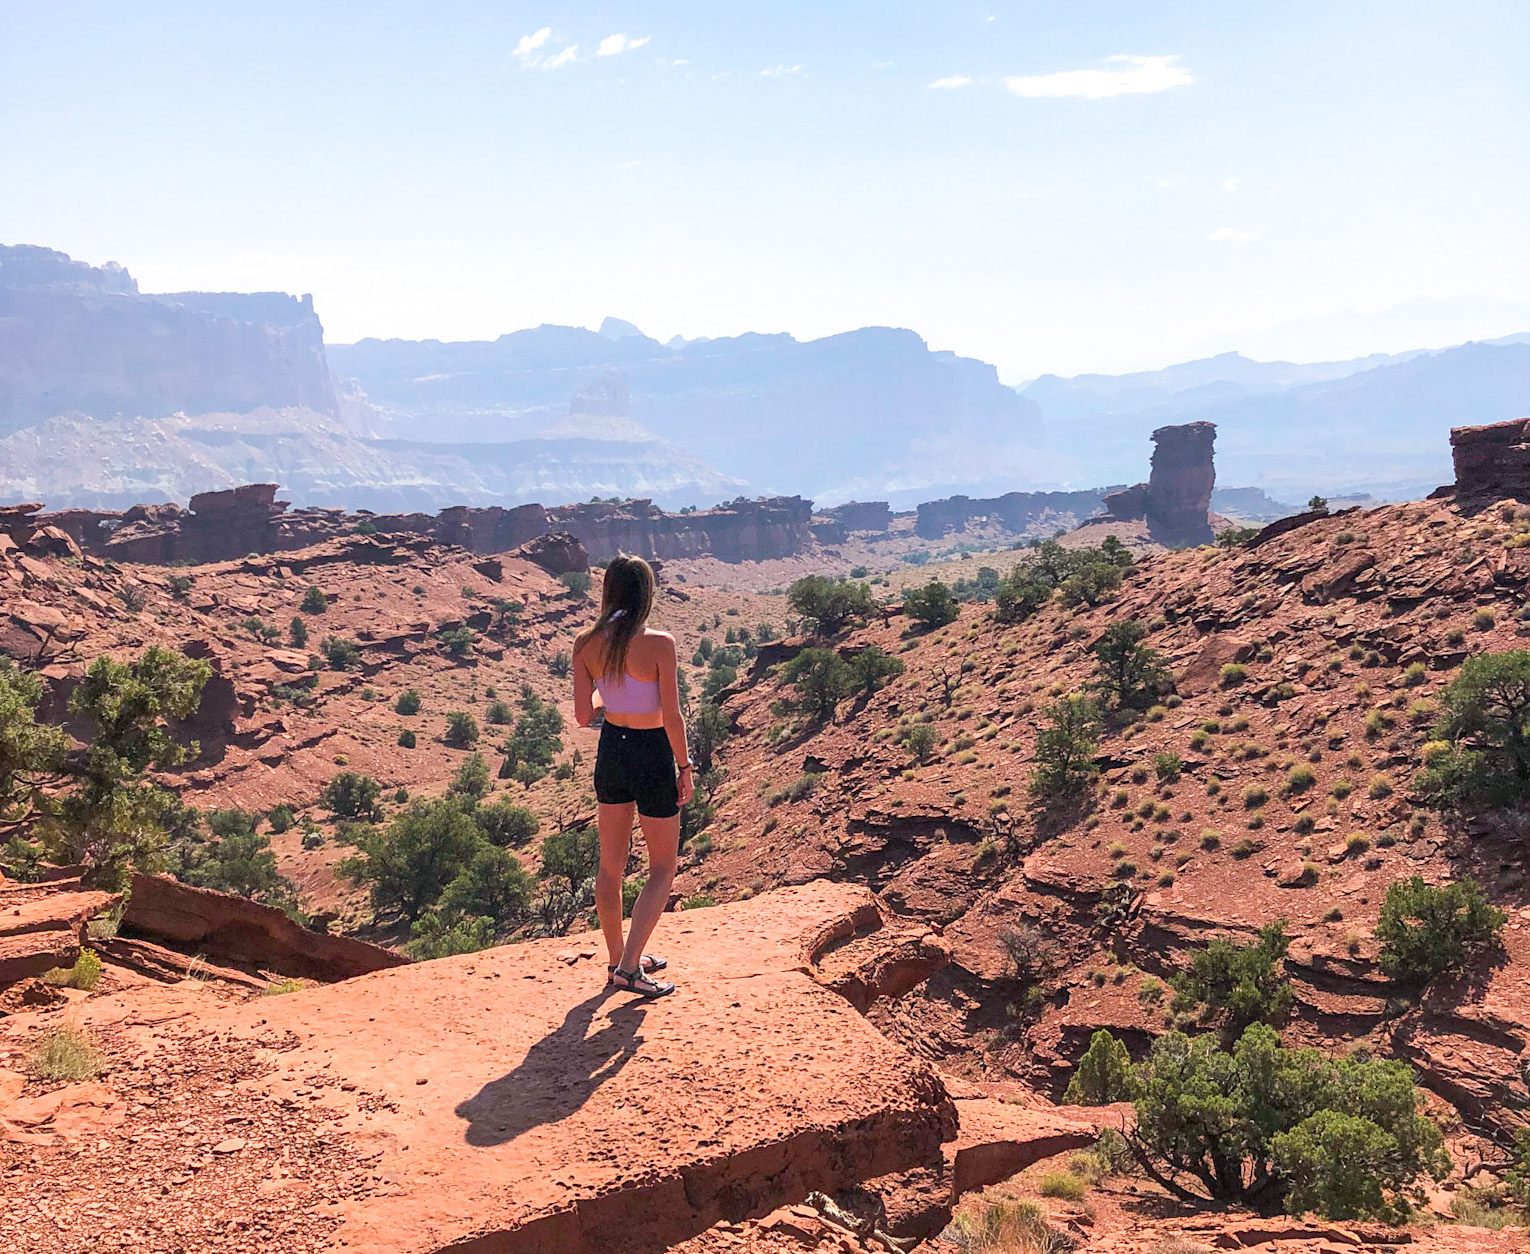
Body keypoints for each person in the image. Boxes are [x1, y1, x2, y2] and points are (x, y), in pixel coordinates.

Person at [572, 555, 694, 998]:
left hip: (612, 752)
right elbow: (673, 717)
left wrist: (617, 704)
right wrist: (685, 767)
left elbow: (585, 716)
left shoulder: (585, 643)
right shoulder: (660, 643)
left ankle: (616, 960)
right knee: (662, 866)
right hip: (652, 752)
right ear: (645, 592)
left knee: (611, 865)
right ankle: (629, 971)